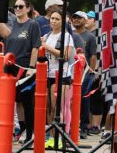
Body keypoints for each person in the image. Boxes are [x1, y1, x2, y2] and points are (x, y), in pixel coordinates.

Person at [0, 0, 41, 141]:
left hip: (26, 68)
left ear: (27, 8)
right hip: (11, 67)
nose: (18, 9)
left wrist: (32, 67)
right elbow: (5, 34)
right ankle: (21, 129)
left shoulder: (32, 24)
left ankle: (30, 134)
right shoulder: (12, 25)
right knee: (13, 101)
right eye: (16, 6)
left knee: (27, 102)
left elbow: (35, 47)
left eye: (21, 6)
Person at [41, 11, 75, 140]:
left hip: (61, 74)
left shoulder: (66, 36)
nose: (53, 21)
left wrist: (47, 47)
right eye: (52, 18)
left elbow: (65, 56)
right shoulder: (47, 35)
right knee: (48, 106)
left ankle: (59, 136)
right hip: (48, 74)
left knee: (57, 106)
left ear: (62, 22)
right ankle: (50, 136)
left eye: (56, 19)